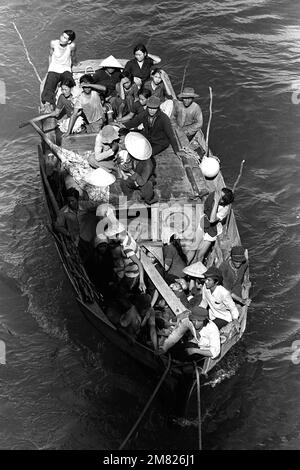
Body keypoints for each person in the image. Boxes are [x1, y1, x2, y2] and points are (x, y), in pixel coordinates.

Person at [188, 187, 234, 264]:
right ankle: (184, 266)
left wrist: (216, 202)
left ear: (222, 201)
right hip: (204, 222)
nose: (217, 195)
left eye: (220, 196)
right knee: (193, 247)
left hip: (213, 230)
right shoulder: (215, 194)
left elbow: (212, 220)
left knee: (200, 255)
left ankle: (197, 270)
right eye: (219, 193)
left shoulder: (225, 209)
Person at [54, 187, 97, 262]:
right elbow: (58, 226)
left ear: (77, 200)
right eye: (68, 201)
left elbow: (98, 206)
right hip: (76, 238)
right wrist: (68, 233)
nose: (70, 203)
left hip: (88, 235)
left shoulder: (85, 205)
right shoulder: (64, 212)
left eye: (72, 201)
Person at [104, 221, 146, 293]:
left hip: (131, 275)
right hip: (133, 273)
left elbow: (139, 264)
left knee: (120, 295)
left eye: (112, 237)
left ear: (118, 235)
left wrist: (141, 282)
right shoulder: (128, 237)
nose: (112, 240)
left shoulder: (127, 248)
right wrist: (138, 230)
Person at [41, 30, 77, 108]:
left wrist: (75, 63)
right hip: (54, 68)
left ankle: (68, 101)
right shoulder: (53, 43)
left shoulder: (72, 46)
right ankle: (48, 104)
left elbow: (73, 56)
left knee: (70, 83)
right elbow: (50, 55)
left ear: (69, 41)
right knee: (49, 87)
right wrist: (50, 69)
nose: (61, 38)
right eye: (62, 36)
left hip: (65, 68)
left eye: (65, 38)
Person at [119, 132, 157, 204]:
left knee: (147, 187)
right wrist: (123, 166)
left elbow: (141, 182)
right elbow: (124, 161)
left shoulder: (148, 165)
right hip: (134, 175)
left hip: (143, 180)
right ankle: (128, 196)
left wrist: (131, 171)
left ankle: (149, 200)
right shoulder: (131, 153)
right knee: (123, 183)